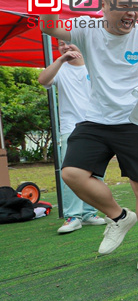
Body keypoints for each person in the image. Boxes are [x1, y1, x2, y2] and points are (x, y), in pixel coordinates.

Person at [40, 0, 138, 270]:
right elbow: (48, 25)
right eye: (123, 6)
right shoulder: (88, 29)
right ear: (104, 5)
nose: (131, 14)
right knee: (71, 173)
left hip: (135, 120)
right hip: (95, 119)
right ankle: (119, 217)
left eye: (134, 7)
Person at [38, 40, 106, 234]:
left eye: (70, 43)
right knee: (71, 172)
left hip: (97, 125)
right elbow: (43, 80)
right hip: (71, 128)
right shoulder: (59, 69)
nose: (66, 47)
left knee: (95, 173)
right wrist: (60, 60)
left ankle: (89, 213)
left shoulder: (95, 66)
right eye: (61, 44)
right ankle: (72, 216)